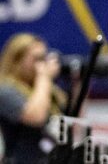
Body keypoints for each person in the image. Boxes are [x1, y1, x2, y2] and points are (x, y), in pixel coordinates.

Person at [0, 33, 64, 164]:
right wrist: (44, 76)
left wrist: (79, 84)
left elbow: (71, 122)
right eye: (37, 58)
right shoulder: (6, 90)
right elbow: (36, 116)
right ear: (17, 60)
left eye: (44, 57)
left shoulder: (44, 90)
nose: (42, 64)